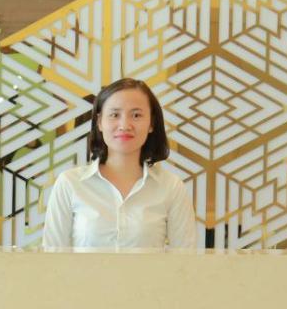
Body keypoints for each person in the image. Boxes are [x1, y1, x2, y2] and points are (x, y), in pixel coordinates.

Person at [41, 78, 197, 249]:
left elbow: (185, 258)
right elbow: (52, 256)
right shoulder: (69, 183)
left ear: (151, 123)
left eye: (136, 115)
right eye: (115, 115)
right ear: (99, 122)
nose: (124, 125)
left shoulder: (171, 187)